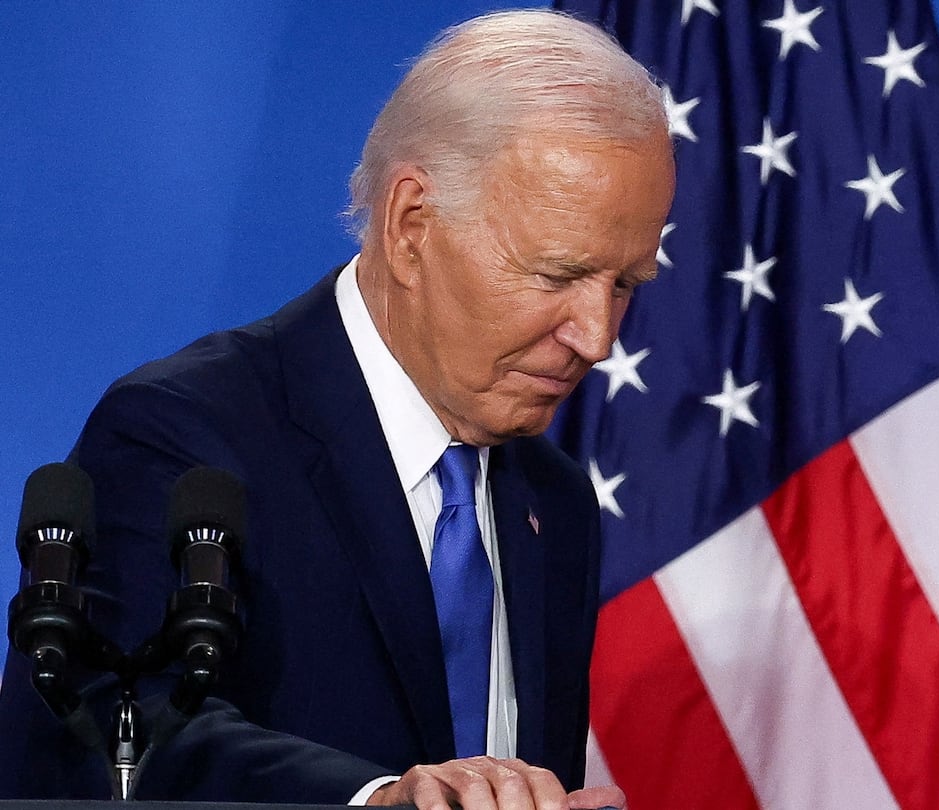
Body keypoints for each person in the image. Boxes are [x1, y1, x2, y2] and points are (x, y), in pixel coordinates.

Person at [0, 9, 675, 810]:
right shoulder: (184, 439)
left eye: (626, 283)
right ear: (411, 224)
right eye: (558, 275)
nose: (596, 338)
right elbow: (99, 737)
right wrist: (376, 801)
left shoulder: (554, 502)